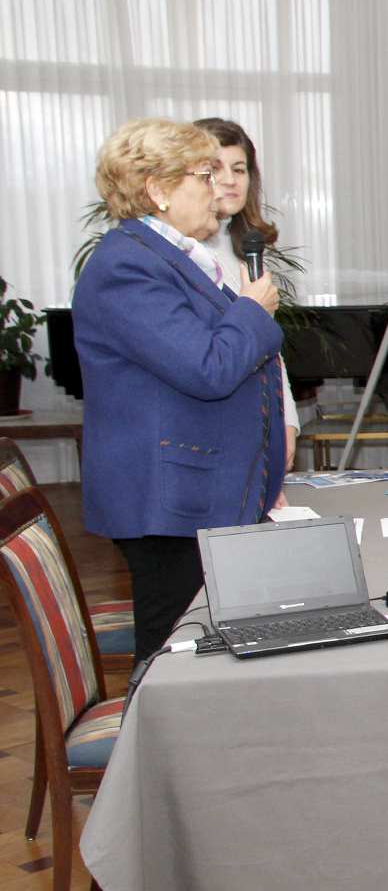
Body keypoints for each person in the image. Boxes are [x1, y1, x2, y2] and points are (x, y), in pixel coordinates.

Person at [72, 118, 286, 662]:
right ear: (159, 190)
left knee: (202, 649)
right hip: (166, 503)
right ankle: (154, 747)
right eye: (203, 174)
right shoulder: (127, 264)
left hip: (197, 492)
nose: (218, 189)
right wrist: (251, 312)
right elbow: (208, 367)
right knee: (173, 657)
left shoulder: (173, 257)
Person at [194, 118, 301, 482]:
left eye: (239, 169)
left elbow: (267, 342)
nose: (229, 180)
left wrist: (287, 419)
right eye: (214, 169)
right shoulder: (186, 252)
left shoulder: (245, 248)